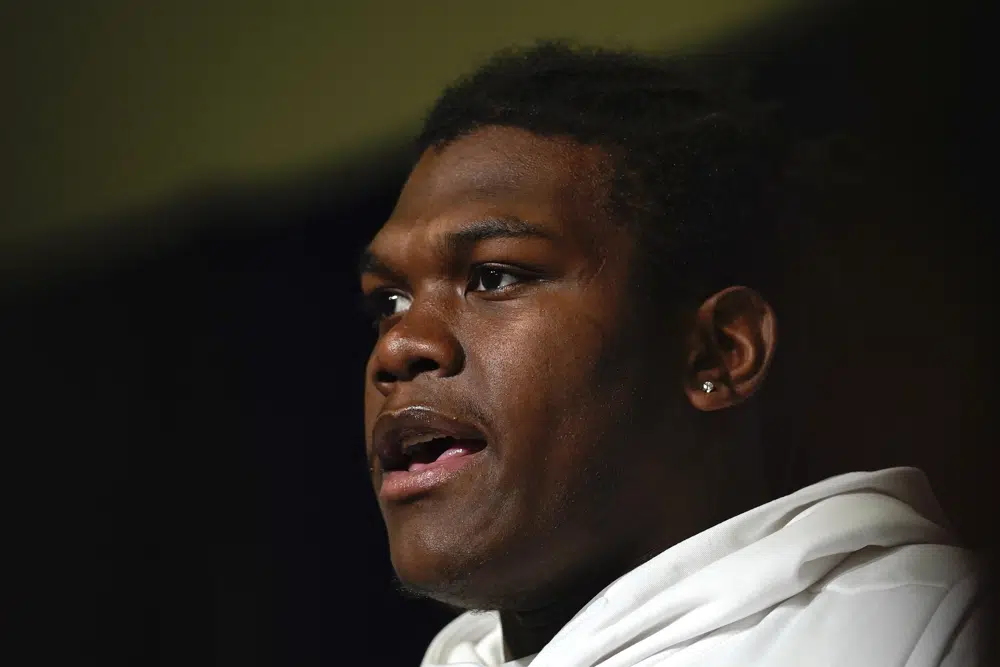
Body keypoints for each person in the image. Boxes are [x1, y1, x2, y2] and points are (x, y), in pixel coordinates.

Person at [358, 42, 983, 666]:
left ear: (719, 353)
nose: (400, 345)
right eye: (389, 301)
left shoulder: (920, 634)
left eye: (494, 277)